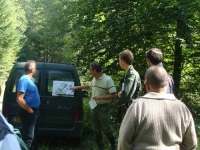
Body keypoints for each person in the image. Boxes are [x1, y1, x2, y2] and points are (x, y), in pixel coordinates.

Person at [118, 66, 197, 150]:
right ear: (168, 82)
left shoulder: (137, 106)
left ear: (146, 84)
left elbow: (123, 141)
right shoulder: (182, 108)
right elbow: (191, 144)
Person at [70, 61, 117, 150]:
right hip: (93, 107)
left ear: (95, 70)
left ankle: (113, 146)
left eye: (91, 70)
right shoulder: (94, 79)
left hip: (103, 108)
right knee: (96, 129)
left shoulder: (107, 80)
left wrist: (100, 97)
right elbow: (89, 86)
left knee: (106, 129)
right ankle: (100, 147)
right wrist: (77, 88)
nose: (90, 72)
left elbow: (114, 95)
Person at [16, 60, 40, 150]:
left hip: (33, 111)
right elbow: (19, 99)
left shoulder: (30, 80)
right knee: (28, 137)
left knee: (33, 136)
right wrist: (29, 110)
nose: (36, 70)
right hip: (27, 112)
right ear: (31, 69)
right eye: (35, 68)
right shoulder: (24, 80)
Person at [115, 49, 142, 121]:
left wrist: (117, 101)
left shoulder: (132, 74)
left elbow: (127, 94)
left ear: (123, 61)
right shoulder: (128, 73)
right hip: (128, 109)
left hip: (131, 109)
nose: (119, 62)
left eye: (119, 60)